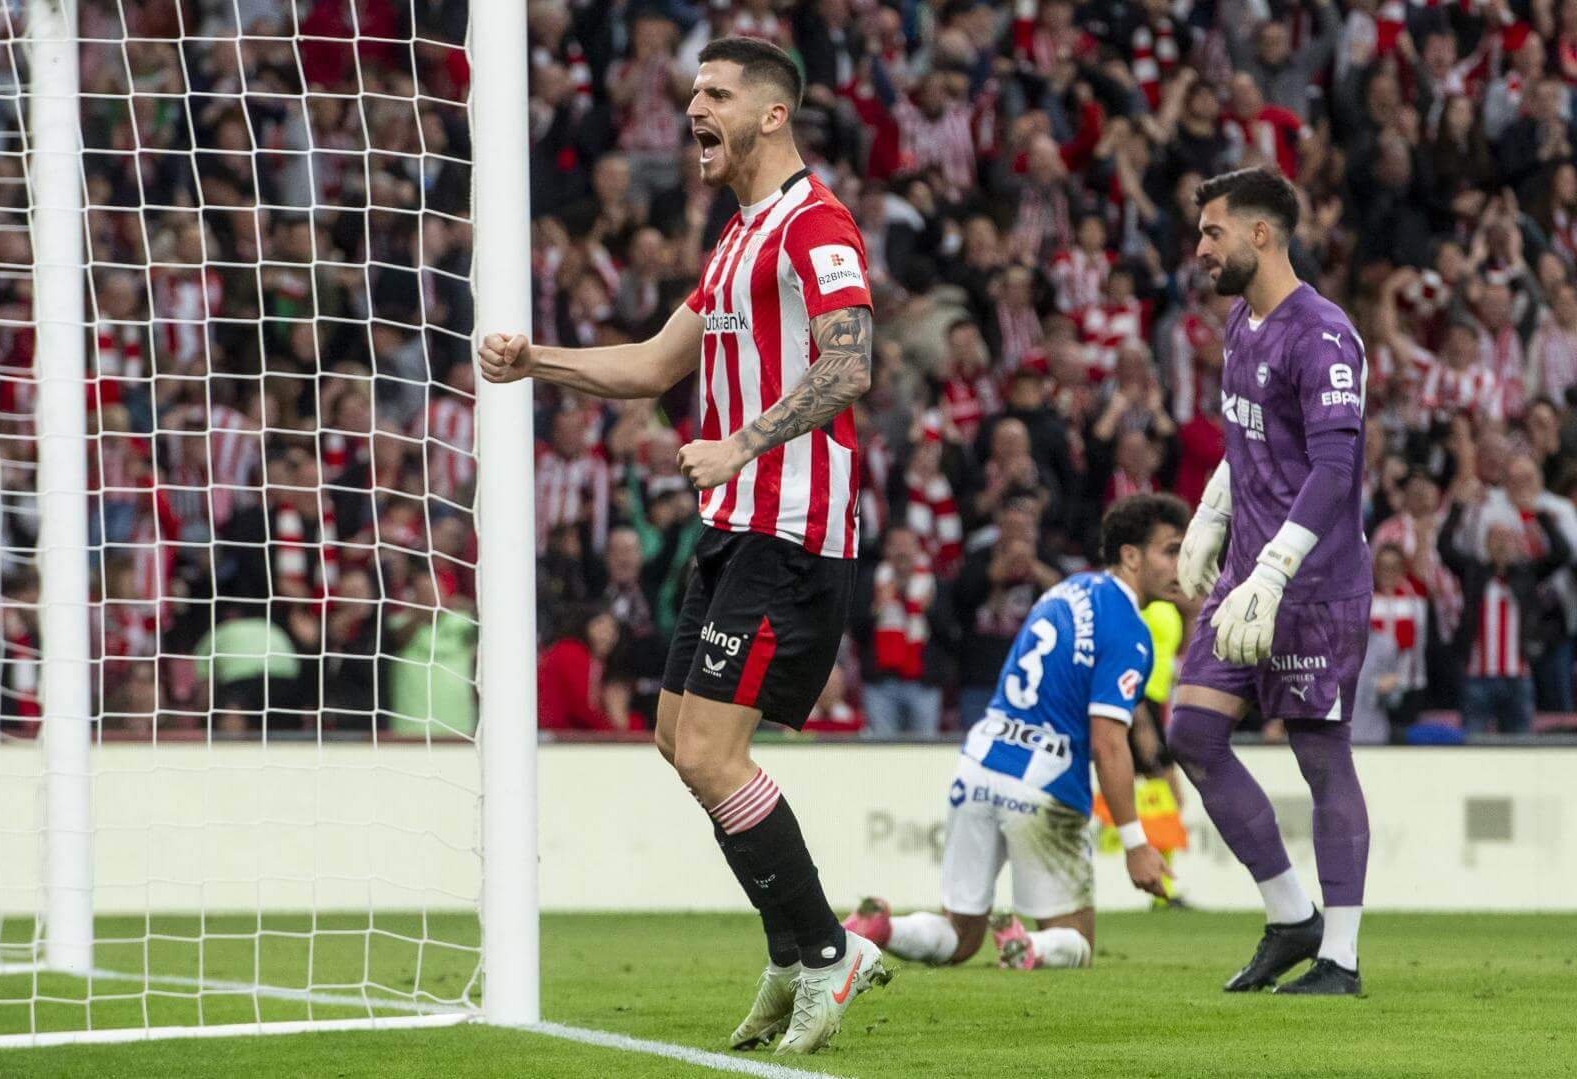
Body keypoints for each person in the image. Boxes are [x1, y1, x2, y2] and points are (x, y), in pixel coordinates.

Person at [478, 36, 886, 1054]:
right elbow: (658, 362)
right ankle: (794, 955)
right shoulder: (736, 237)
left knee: (713, 748)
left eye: (714, 95)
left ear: (772, 114)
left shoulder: (815, 224)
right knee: (677, 738)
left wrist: (742, 439)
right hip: (731, 524)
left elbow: (855, 361)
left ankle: (831, 950)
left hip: (790, 527)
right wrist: (540, 362)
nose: (691, 109)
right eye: (691, 92)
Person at [1169, 167, 1373, 996]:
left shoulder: (1322, 334)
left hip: (1312, 586)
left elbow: (1335, 464)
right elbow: (1248, 440)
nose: (1201, 247)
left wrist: (1278, 567)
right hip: (1247, 579)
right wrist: (1212, 513)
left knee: (1321, 755)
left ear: (1261, 234)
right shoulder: (1241, 324)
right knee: (1190, 731)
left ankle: (1342, 959)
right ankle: (1292, 916)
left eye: (1213, 231)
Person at [842, 494, 1187, 971]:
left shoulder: (1065, 591)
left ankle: (884, 927)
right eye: (1170, 550)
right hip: (1045, 776)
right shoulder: (1130, 630)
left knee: (959, 935)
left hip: (981, 759)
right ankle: (1028, 947)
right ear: (1130, 555)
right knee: (1077, 942)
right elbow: (1109, 742)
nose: (1181, 562)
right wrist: (1135, 844)